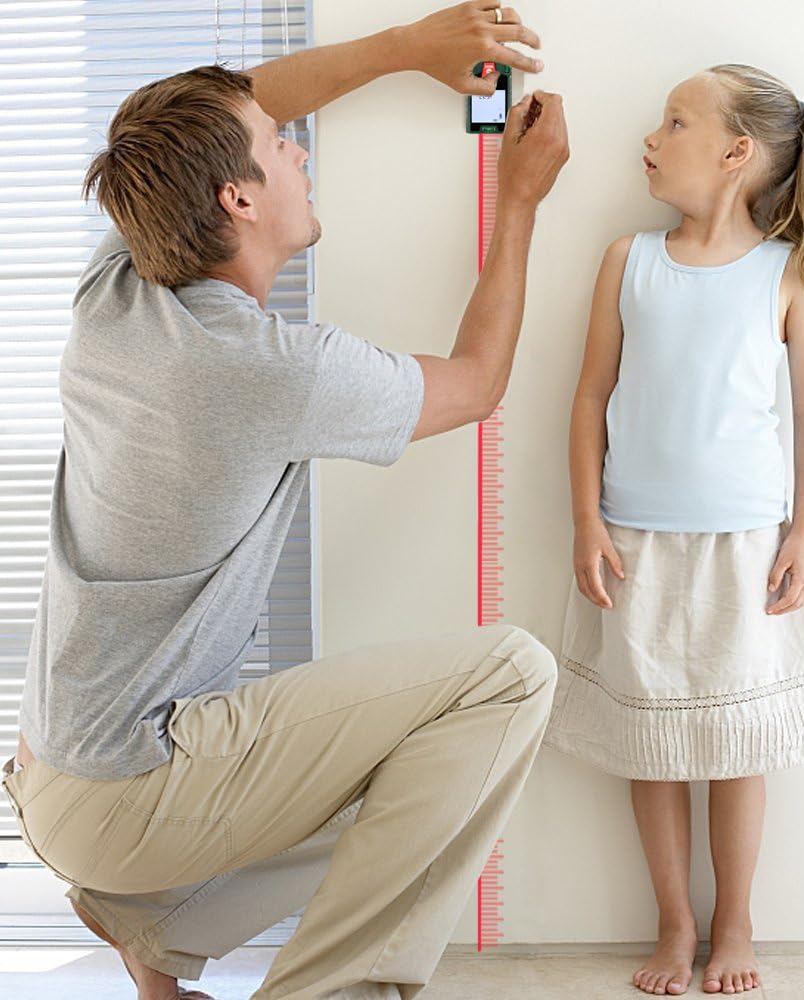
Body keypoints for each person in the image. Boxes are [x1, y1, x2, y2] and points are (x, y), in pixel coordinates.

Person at [0, 4, 568, 999]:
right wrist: (518, 202)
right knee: (508, 679)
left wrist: (408, 51)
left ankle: (152, 919)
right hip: (131, 787)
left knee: (419, 773)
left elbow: (242, 107)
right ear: (237, 198)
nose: (298, 145)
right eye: (280, 148)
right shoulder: (269, 372)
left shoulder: (121, 281)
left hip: (50, 769)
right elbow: (476, 384)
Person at [540, 65, 804, 996]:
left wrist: (803, 533)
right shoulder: (625, 261)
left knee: (736, 746)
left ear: (733, 153)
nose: (649, 137)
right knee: (655, 743)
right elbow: (590, 396)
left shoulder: (788, 274)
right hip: (636, 547)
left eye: (672, 122)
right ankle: (675, 925)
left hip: (746, 551)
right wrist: (585, 518)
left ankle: (736, 922)